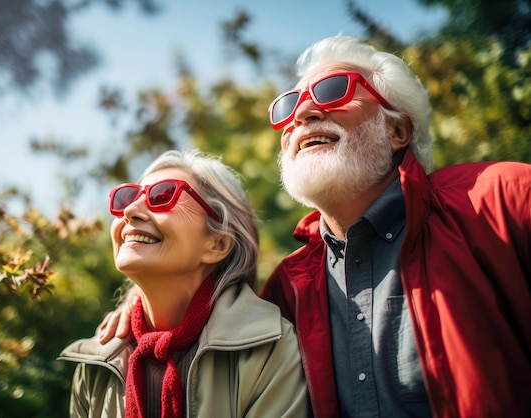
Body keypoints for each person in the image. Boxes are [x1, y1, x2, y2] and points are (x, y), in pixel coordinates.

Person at [98, 36, 531, 417]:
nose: (302, 111)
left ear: (396, 129)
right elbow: (206, 321)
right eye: (288, 105)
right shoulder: (288, 287)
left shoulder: (501, 200)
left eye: (332, 90)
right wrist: (142, 300)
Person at [59, 149, 310, 417]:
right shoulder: (97, 360)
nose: (131, 211)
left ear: (218, 244)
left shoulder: (269, 350)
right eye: (127, 197)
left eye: (163, 196)